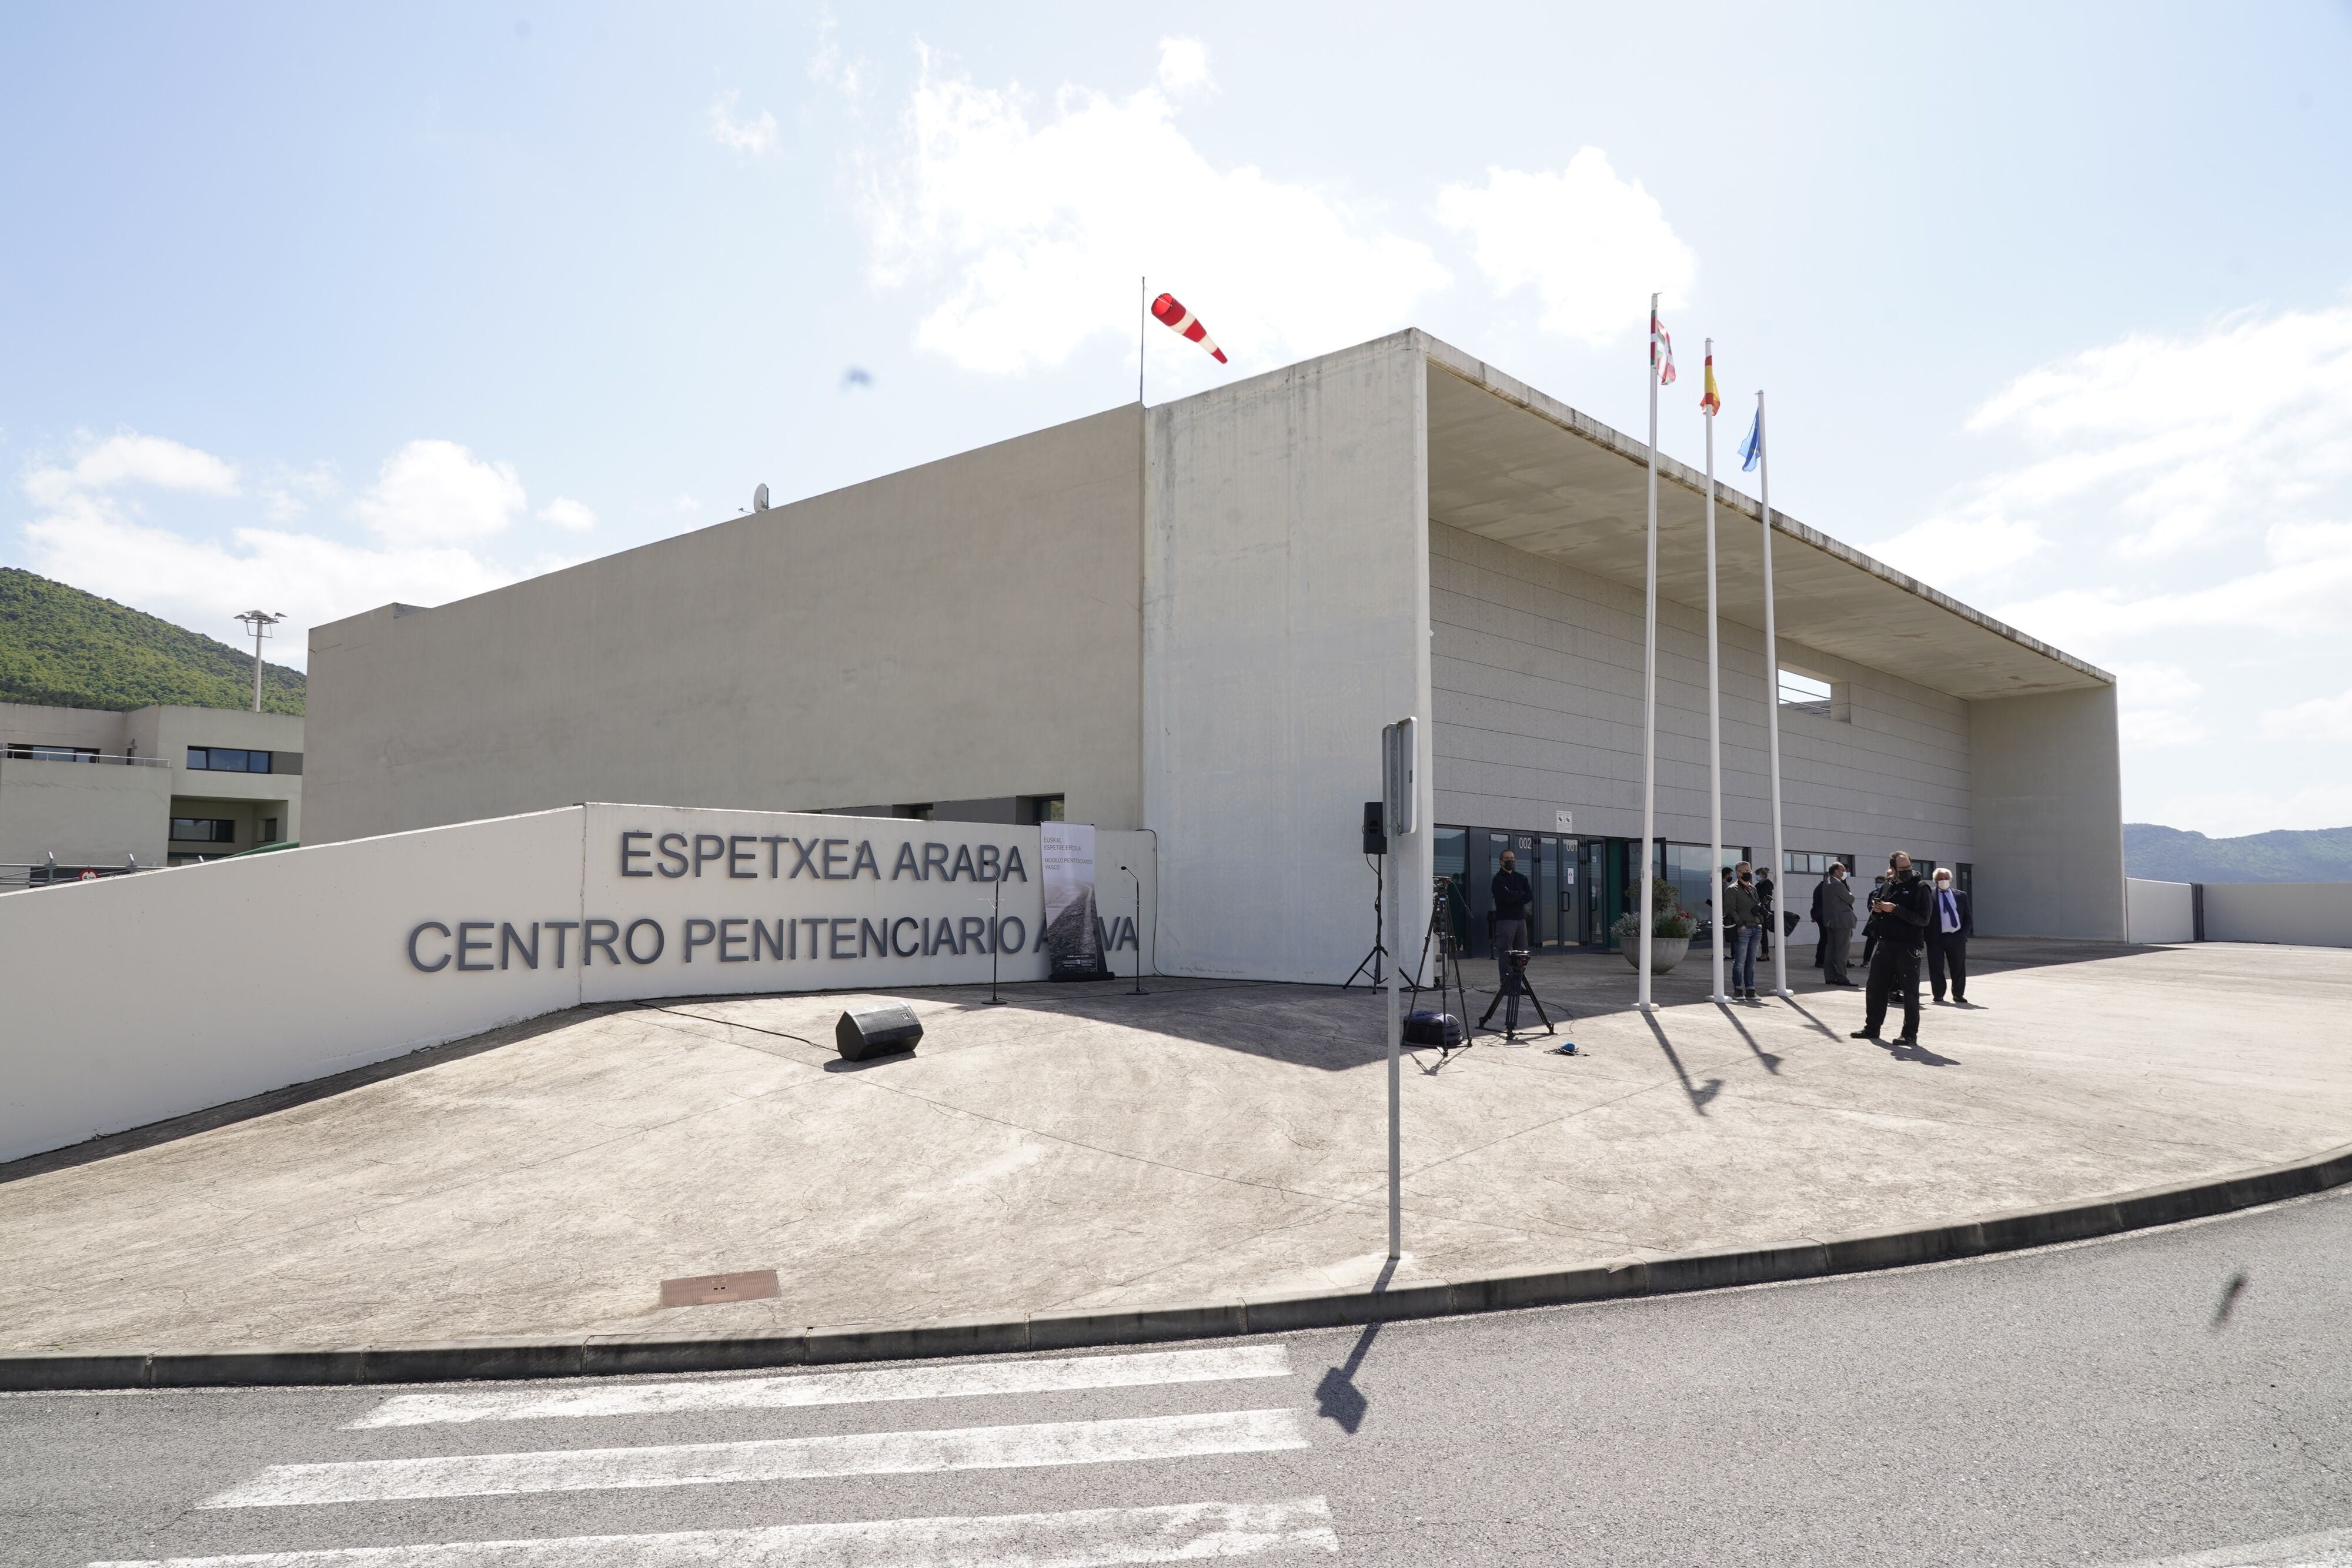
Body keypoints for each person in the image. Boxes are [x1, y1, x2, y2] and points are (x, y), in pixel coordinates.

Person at [1853, 851, 1930, 1044]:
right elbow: (1878, 909)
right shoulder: (1888, 885)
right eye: (1902, 868)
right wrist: (1878, 908)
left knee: (1909, 990)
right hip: (1885, 943)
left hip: (1908, 946)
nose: (1906, 871)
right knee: (1875, 987)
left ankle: (1909, 1034)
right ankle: (1872, 1028)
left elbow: (1923, 918)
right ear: (1893, 870)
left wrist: (1894, 909)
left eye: (1908, 867)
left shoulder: (1921, 888)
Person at [1926, 866, 1973, 1004]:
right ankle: (1938, 994)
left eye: (1946, 879)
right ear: (1935, 881)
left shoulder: (1961, 895)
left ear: (1950, 880)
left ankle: (1958, 994)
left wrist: (1963, 935)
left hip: (1956, 937)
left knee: (1958, 967)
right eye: (1940, 879)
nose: (1943, 881)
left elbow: (1968, 917)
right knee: (1936, 967)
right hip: (1936, 938)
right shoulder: (1929, 895)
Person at [1490, 848, 1533, 991]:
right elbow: (1505, 898)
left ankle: (1518, 984)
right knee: (1506, 952)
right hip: (1505, 920)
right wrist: (1519, 895)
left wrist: (1514, 895)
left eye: (1513, 859)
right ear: (1501, 862)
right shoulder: (1498, 880)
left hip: (1521, 920)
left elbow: (1529, 896)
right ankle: (1507, 985)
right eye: (1508, 859)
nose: (1511, 861)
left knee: (1521, 954)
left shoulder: (1521, 878)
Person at [1723, 867, 1762, 1002]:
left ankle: (1751, 988)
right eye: (1745, 870)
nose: (1749, 872)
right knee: (1740, 960)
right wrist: (1741, 924)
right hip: (1743, 929)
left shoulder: (1753, 888)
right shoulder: (1732, 889)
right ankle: (1738, 988)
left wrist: (1760, 922)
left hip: (1756, 927)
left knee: (1752, 960)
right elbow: (1730, 909)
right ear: (1738, 873)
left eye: (1750, 870)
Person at [1816, 862, 1858, 987]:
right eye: (1843, 870)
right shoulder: (1838, 884)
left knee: (1831, 949)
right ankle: (1841, 977)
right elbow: (1851, 899)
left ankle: (1830, 977)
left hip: (1830, 921)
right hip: (1841, 921)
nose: (1845, 872)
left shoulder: (1827, 884)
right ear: (1836, 872)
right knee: (1842, 950)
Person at [1860, 872, 1890, 964]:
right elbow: (1869, 907)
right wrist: (1874, 906)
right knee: (1870, 941)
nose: (1879, 884)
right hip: (1874, 920)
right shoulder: (1873, 894)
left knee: (1884, 942)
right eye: (1877, 882)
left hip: (1885, 921)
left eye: (1881, 882)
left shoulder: (1888, 893)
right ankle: (1866, 960)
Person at [1755, 867, 1777, 959]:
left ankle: (1765, 954)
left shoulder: (1766, 885)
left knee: (1763, 933)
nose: (1757, 876)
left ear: (1764, 875)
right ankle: (1765, 953)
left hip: (1763, 911)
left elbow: (1760, 895)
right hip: (1762, 910)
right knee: (1763, 933)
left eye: (1758, 874)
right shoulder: (1760, 885)